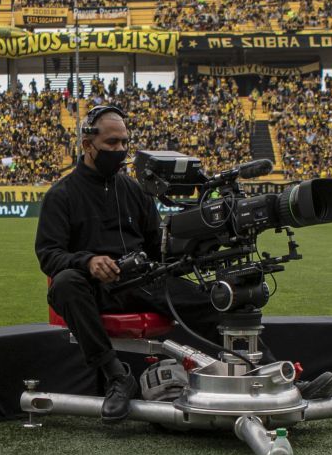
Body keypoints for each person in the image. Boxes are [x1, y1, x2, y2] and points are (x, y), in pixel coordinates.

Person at [37, 104, 226, 423]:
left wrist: (195, 248)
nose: (121, 150)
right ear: (87, 145)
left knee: (218, 297)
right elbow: (48, 254)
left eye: (125, 142)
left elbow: (158, 249)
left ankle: (267, 370)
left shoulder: (136, 191)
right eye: (112, 143)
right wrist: (89, 262)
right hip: (93, 287)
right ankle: (116, 377)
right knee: (65, 284)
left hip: (142, 281)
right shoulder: (62, 195)